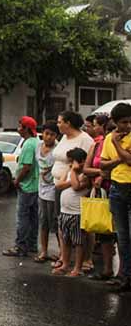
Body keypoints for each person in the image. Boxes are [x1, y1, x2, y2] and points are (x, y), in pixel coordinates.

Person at [49, 111, 94, 270]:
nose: (58, 124)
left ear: (69, 123)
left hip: (76, 187)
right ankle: (65, 256)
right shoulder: (64, 138)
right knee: (61, 223)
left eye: (60, 121)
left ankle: (86, 259)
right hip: (59, 184)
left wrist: (73, 180)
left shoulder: (85, 140)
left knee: (81, 226)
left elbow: (89, 163)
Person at [101, 102, 131, 292]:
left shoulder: (113, 140)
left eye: (130, 122)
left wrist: (116, 145)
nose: (127, 126)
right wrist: (121, 156)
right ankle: (125, 275)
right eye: (123, 122)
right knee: (122, 236)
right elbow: (103, 165)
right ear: (115, 122)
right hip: (117, 187)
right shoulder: (108, 139)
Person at [83, 114, 116, 280]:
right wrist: (100, 173)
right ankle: (107, 270)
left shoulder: (115, 144)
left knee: (120, 233)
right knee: (104, 232)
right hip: (101, 193)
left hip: (116, 189)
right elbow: (86, 168)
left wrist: (104, 174)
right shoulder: (96, 146)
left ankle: (123, 272)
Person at [2, 116, 40, 257]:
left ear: (26, 129)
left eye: (20, 126)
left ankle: (21, 246)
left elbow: (27, 167)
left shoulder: (29, 144)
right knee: (33, 217)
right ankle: (32, 244)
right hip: (36, 185)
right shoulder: (36, 141)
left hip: (27, 186)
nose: (18, 129)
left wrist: (17, 180)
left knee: (23, 217)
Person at [52, 148, 91, 277]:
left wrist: (74, 171)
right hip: (65, 211)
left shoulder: (85, 175)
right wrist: (71, 174)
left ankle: (77, 268)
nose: (70, 164)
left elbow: (76, 186)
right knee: (66, 240)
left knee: (78, 241)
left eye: (72, 161)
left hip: (77, 213)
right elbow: (59, 185)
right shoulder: (70, 172)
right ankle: (65, 263)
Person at [34, 120, 59, 263]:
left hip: (54, 188)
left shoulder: (58, 149)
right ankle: (44, 251)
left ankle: (63, 254)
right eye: (46, 134)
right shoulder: (38, 146)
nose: (49, 137)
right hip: (41, 187)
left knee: (55, 223)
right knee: (43, 221)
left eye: (52, 134)